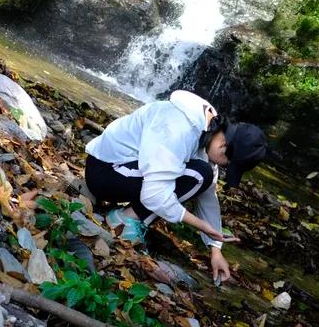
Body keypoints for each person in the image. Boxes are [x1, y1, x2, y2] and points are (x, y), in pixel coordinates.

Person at [84, 90, 267, 283]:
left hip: (123, 170)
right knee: (199, 174)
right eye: (227, 163)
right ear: (223, 145)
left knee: (202, 174)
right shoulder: (180, 128)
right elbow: (154, 195)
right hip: (105, 171)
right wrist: (200, 225)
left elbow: (208, 198)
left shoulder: (209, 129)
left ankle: (130, 216)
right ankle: (124, 219)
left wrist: (215, 248)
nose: (223, 167)